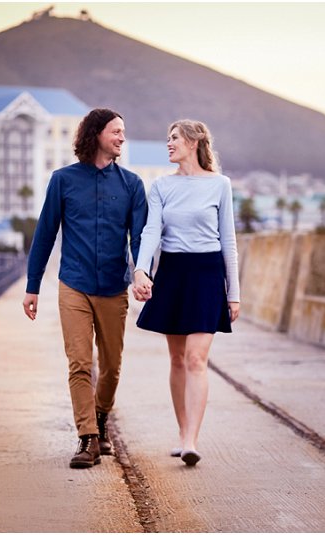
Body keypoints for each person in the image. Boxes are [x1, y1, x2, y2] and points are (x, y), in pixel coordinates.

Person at [23, 108, 147, 469]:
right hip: (73, 284)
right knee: (79, 362)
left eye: (124, 132)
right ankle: (88, 438)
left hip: (113, 286)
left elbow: (138, 237)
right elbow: (45, 234)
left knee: (111, 366)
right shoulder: (63, 180)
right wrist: (33, 286)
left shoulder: (132, 185)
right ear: (96, 134)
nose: (122, 137)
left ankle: (101, 414)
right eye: (116, 131)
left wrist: (141, 272)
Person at [132, 119, 240, 467]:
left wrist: (233, 293)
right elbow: (151, 231)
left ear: (194, 142)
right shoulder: (161, 186)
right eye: (168, 138)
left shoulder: (220, 185)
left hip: (207, 275)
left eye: (174, 138)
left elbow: (229, 242)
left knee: (196, 358)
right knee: (177, 359)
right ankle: (182, 434)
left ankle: (192, 439)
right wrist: (141, 269)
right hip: (173, 273)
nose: (168, 143)